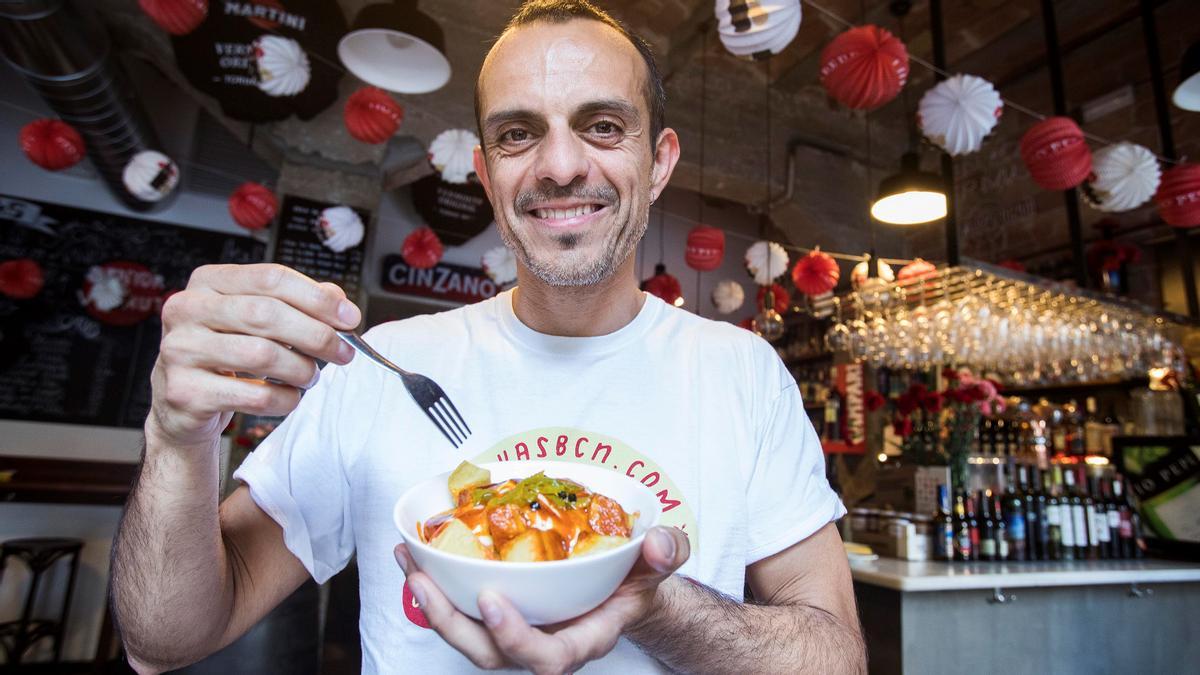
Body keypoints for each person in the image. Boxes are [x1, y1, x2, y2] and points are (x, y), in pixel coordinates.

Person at [111, 1, 866, 673]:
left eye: (603, 126)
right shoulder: (386, 365)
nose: (562, 165)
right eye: (518, 133)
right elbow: (163, 640)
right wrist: (177, 436)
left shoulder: (744, 372)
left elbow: (836, 658)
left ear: (658, 161)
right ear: (484, 172)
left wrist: (656, 606)